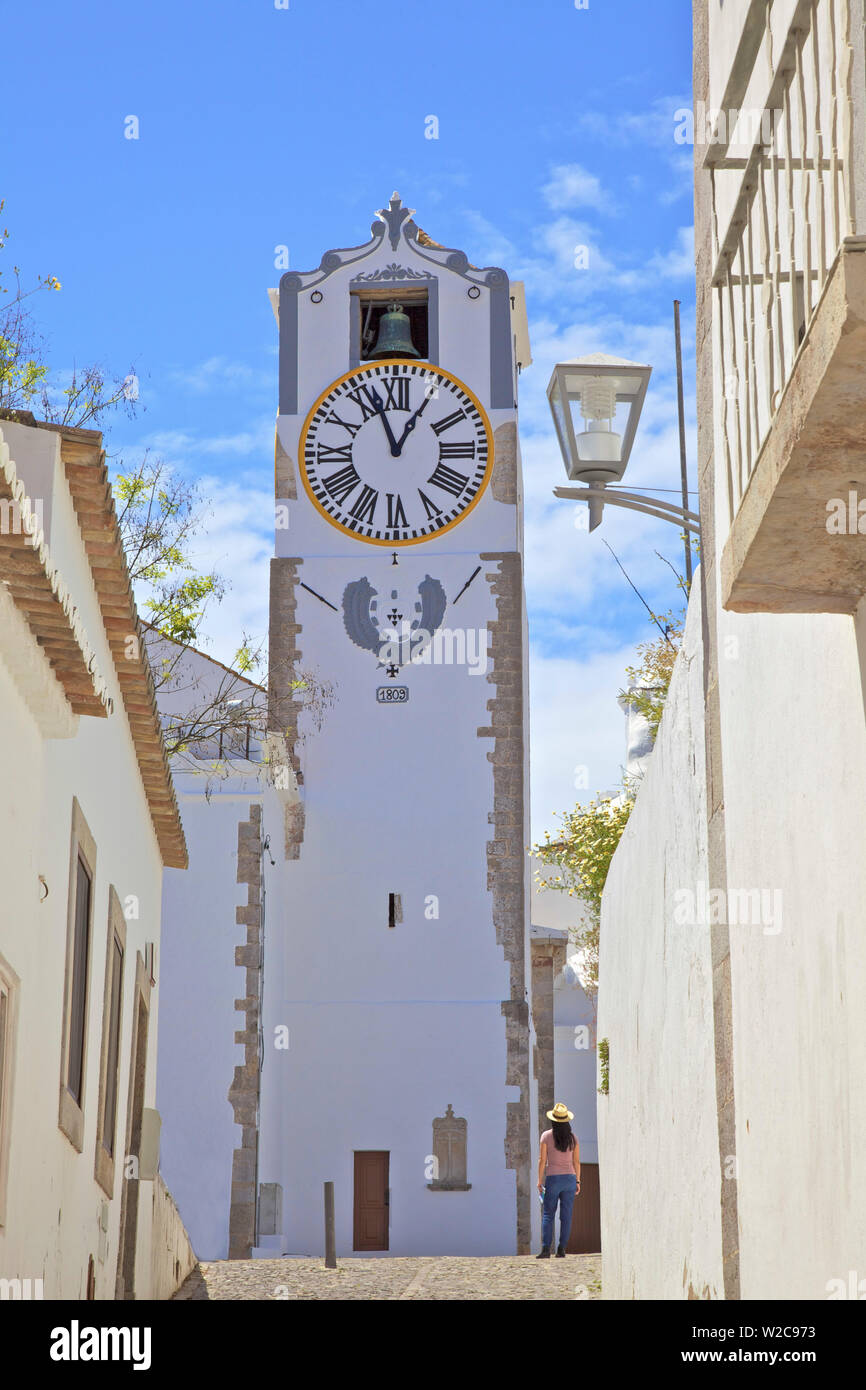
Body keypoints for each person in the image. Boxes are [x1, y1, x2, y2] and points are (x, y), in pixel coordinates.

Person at [536, 1101, 580, 1259]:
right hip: (569, 1178)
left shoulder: (546, 1136)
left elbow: (542, 1160)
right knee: (566, 1215)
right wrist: (577, 1181)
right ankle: (562, 1249)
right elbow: (576, 1162)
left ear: (553, 1119)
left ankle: (546, 1249)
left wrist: (539, 1180)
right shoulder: (573, 1138)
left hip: (553, 1178)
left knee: (548, 1214)